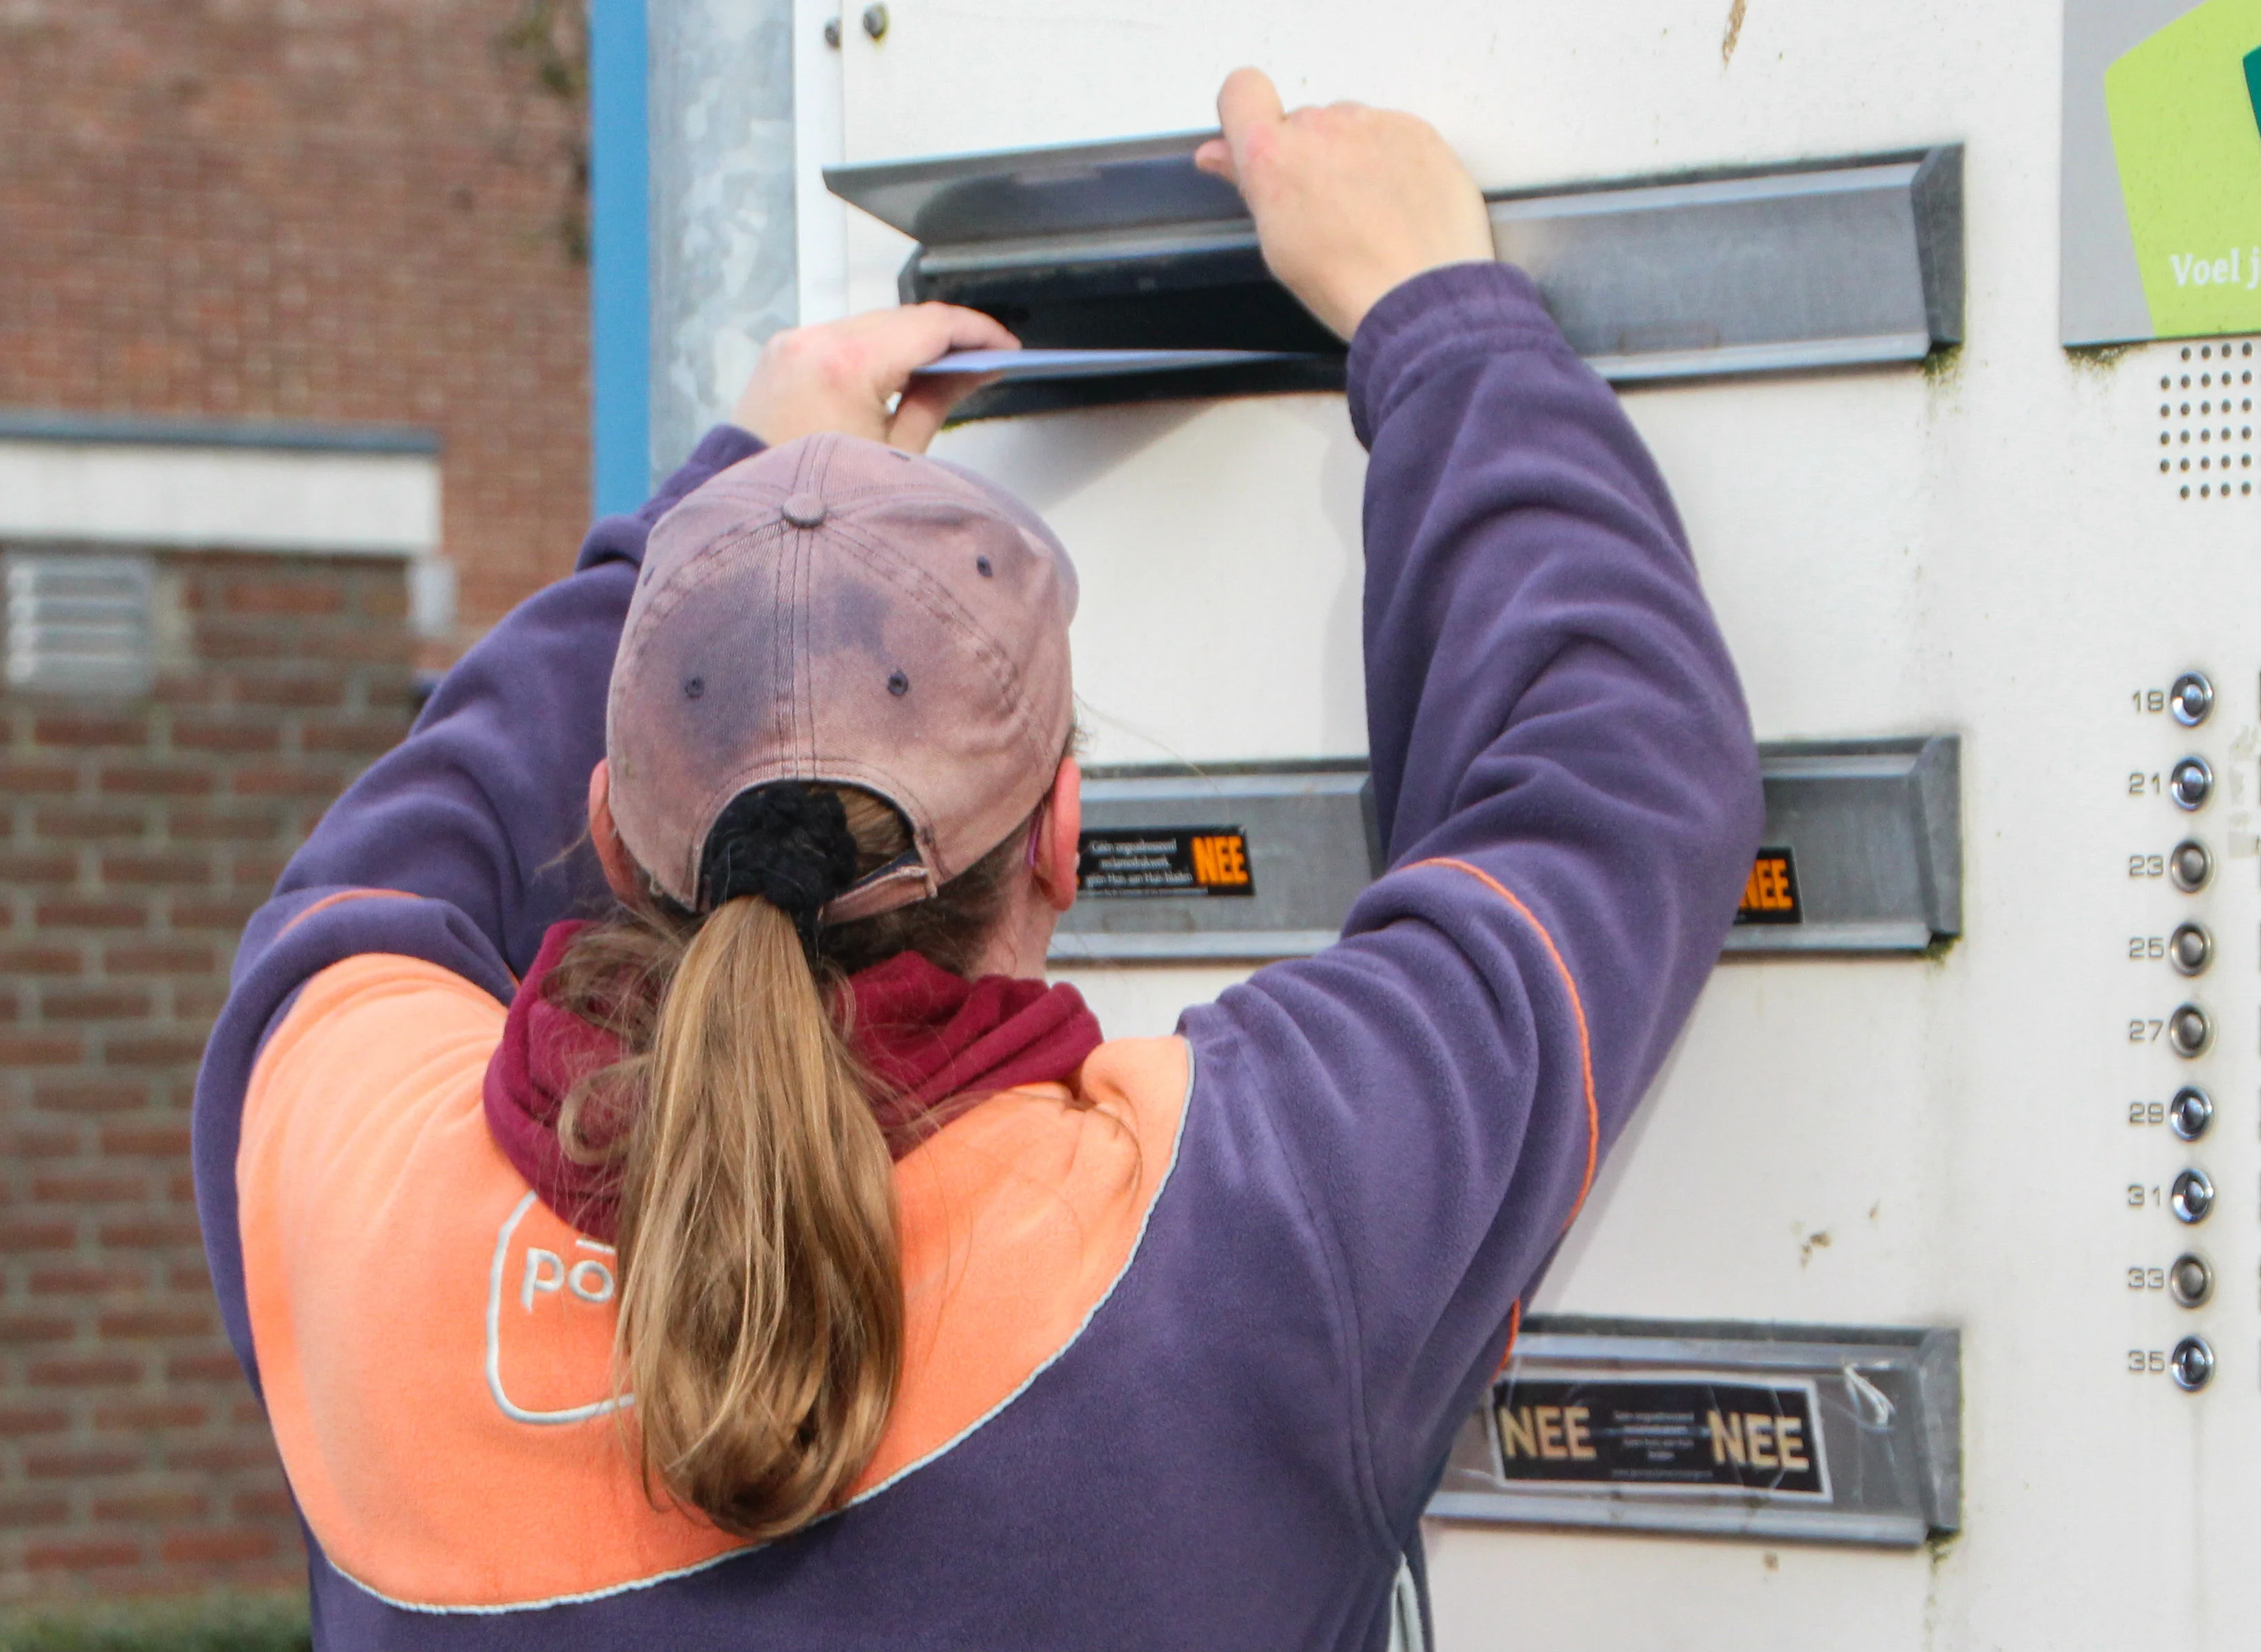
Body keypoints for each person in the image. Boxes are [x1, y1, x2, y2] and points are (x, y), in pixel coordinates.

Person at [193, 67, 1761, 1651]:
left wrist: (727, 499)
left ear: (604, 829)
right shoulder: (1236, 1241)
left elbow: (389, 869)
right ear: (1060, 833)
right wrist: (1442, 319)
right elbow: (1610, 775)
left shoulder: (360, 1204)